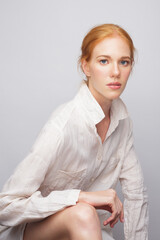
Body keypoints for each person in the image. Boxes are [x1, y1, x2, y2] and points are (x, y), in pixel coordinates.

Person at [0, 23, 148, 240]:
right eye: (104, 61)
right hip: (35, 232)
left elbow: (136, 196)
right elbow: (6, 207)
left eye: (123, 62)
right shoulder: (63, 125)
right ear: (86, 67)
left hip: (88, 231)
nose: (115, 72)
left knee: (90, 220)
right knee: (84, 212)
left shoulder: (123, 122)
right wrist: (81, 197)